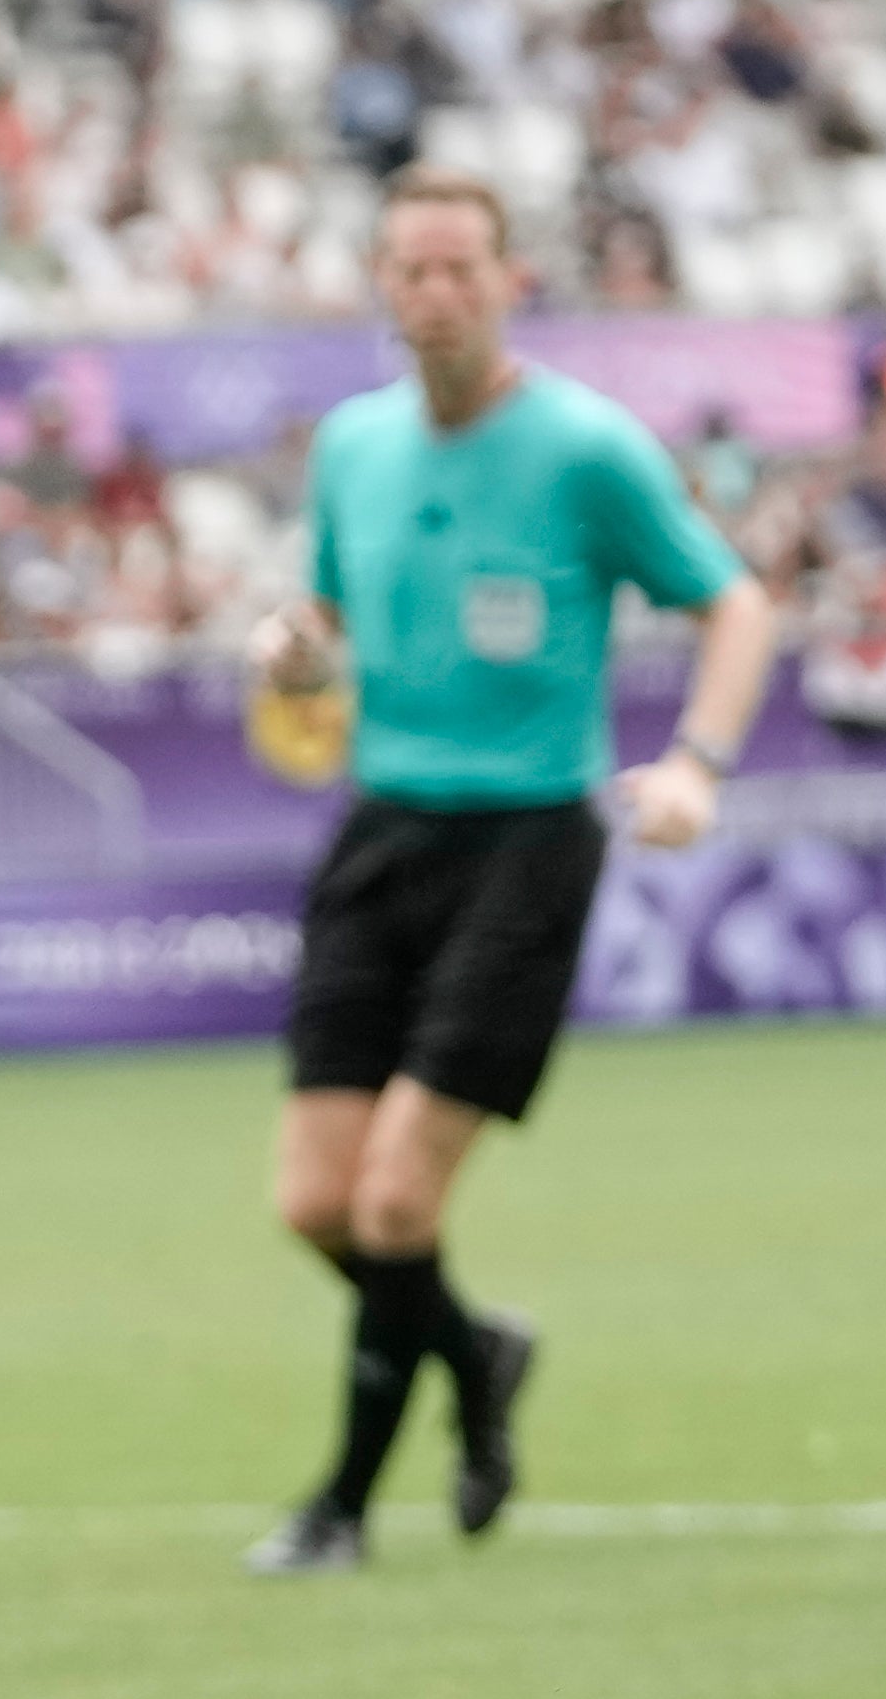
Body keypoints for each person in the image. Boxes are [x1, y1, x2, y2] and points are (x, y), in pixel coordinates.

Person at [238, 166, 776, 1575]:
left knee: (398, 1203)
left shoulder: (587, 450)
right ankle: (476, 1355)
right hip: (381, 828)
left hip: (529, 842)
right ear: (382, 284)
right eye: (411, 270)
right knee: (315, 1202)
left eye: (461, 268)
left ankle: (342, 1509)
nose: (435, 293)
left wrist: (698, 762)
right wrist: (296, 646)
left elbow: (735, 603)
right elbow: (331, 614)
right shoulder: (352, 445)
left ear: (507, 281)